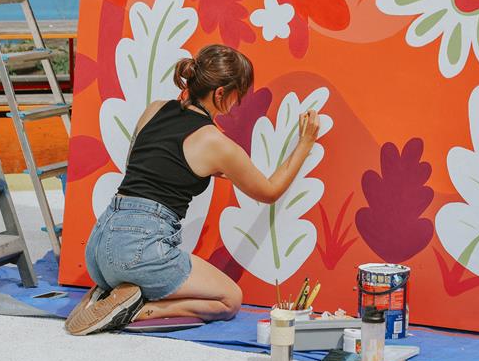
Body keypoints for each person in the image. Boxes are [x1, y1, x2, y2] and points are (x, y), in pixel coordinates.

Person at [65, 44, 320, 335]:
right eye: (238, 95)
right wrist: (305, 142)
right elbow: (270, 191)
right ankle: (136, 309)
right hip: (138, 251)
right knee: (229, 300)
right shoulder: (215, 142)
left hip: (99, 244)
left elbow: (143, 164)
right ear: (221, 93)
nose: (238, 103)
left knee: (137, 264)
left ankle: (109, 293)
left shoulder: (155, 109)